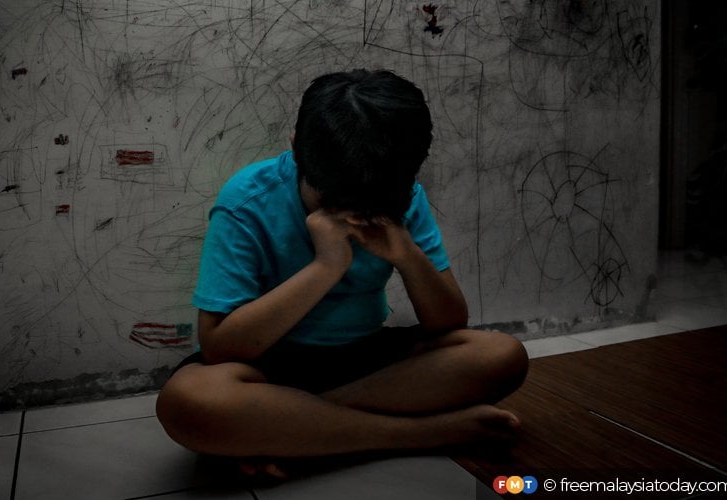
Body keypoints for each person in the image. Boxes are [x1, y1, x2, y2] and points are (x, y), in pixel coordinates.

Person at [156, 69, 528, 478]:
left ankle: (291, 431)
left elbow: (449, 323)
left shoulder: (401, 193)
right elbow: (220, 349)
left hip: (367, 360)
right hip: (269, 365)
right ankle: (419, 434)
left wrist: (405, 253)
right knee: (189, 401)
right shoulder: (247, 200)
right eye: (331, 202)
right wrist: (325, 267)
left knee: (501, 355)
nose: (352, 216)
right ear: (296, 150)